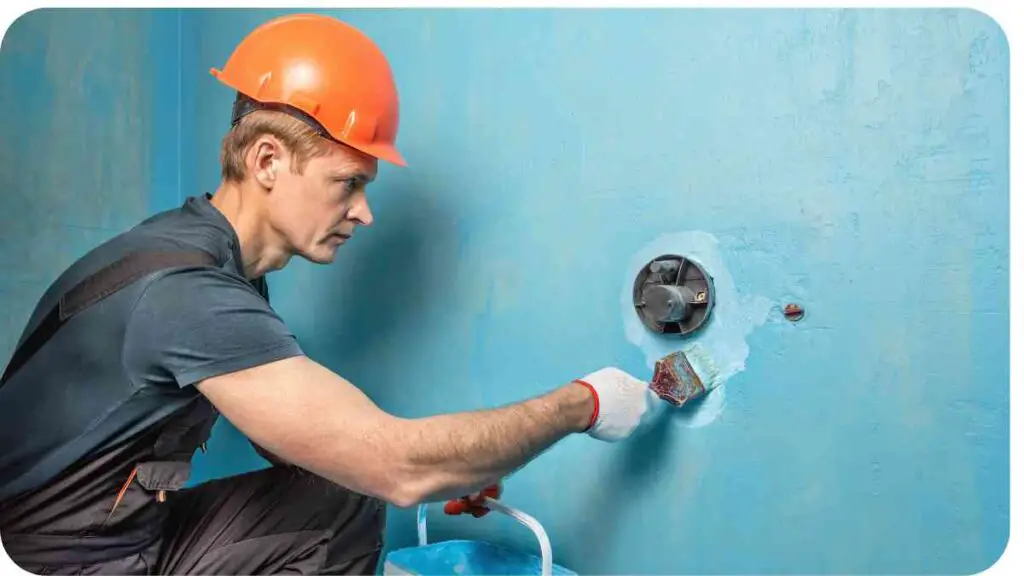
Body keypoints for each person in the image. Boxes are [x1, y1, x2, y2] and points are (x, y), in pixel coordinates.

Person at [0, 13, 658, 575]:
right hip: (65, 560)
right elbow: (395, 466)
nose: (364, 212)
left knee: (342, 495)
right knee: (367, 484)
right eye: (348, 182)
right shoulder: (189, 295)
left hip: (118, 537)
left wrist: (460, 467)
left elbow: (309, 444)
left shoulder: (212, 261)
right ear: (265, 163)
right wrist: (584, 403)